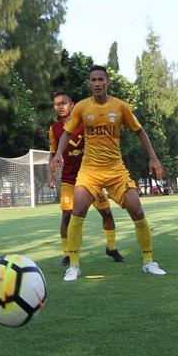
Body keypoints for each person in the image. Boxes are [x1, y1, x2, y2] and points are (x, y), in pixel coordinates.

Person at [50, 65, 166, 281]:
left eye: (100, 79)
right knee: (77, 212)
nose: (96, 83)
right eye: (93, 80)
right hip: (89, 172)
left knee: (137, 210)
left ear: (107, 82)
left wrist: (153, 157)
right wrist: (58, 154)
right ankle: (73, 265)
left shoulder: (120, 107)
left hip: (116, 171)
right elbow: (66, 134)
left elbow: (140, 131)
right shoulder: (82, 107)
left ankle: (149, 262)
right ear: (88, 83)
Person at [48, 90, 125, 266]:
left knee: (106, 212)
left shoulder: (84, 122)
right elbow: (52, 153)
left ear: (72, 104)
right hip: (69, 179)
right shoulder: (54, 129)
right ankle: (67, 254)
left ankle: (111, 248)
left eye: (64, 103)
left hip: (92, 178)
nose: (60, 107)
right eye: (56, 104)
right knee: (67, 215)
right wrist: (49, 173)